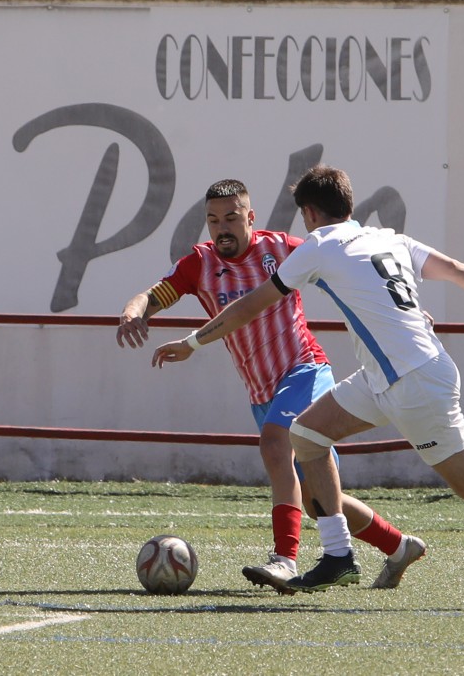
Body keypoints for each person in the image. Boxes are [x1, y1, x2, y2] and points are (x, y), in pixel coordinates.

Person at [151, 164, 464, 607]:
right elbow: (456, 269)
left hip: (413, 382)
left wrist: (193, 341)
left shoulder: (318, 245)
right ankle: (338, 555)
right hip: (385, 377)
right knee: (306, 435)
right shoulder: (387, 239)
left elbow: (251, 305)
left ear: (309, 213)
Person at [119, 179, 426, 593]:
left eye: (231, 217)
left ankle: (284, 559)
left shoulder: (282, 249)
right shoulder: (200, 264)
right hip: (262, 392)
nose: (221, 228)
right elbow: (153, 295)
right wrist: (133, 312)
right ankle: (398, 545)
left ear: (251, 217)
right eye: (212, 220)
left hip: (305, 370)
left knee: (273, 444)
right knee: (318, 503)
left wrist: (405, 314)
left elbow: (350, 269)